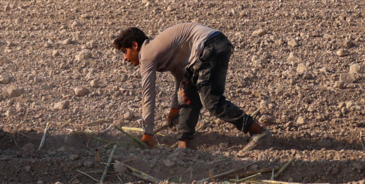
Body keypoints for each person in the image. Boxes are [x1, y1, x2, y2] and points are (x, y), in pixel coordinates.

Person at [114, 24, 271, 151]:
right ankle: (184, 144)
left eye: (125, 51)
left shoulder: (147, 54)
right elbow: (180, 78)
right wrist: (174, 109)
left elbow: (148, 95)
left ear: (135, 45)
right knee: (187, 93)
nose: (125, 58)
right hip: (214, 44)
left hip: (209, 46)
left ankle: (257, 131)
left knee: (212, 102)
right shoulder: (163, 53)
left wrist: (148, 134)